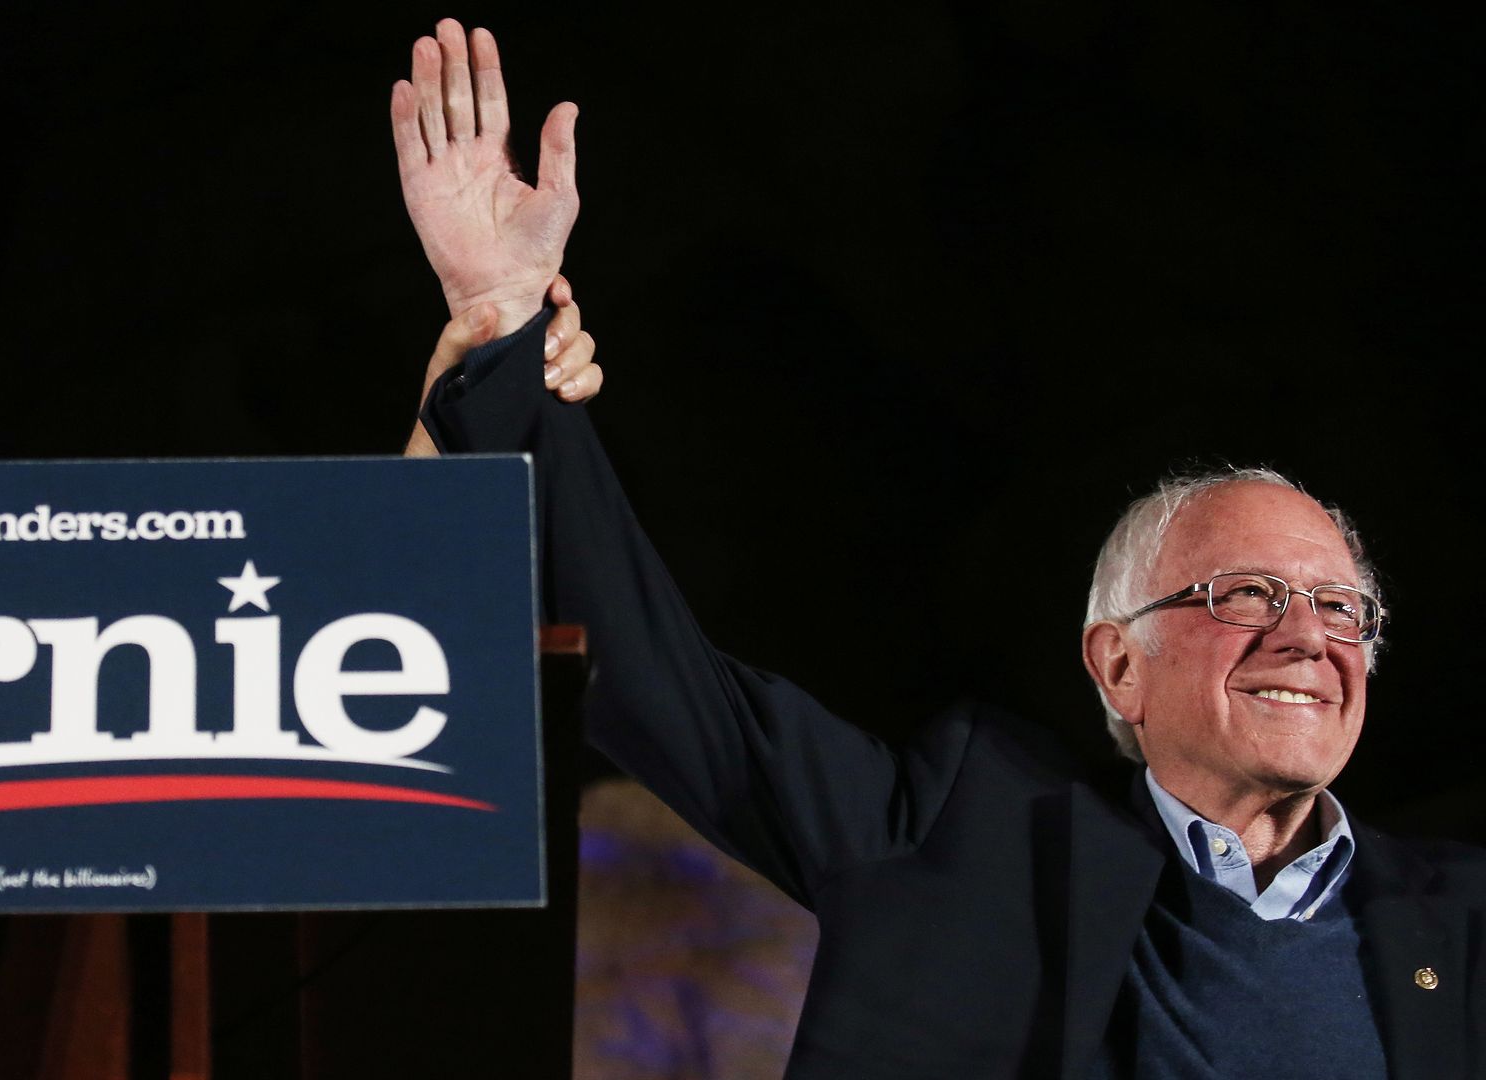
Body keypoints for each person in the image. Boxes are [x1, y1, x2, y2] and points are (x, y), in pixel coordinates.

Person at [389, 18, 1486, 1079]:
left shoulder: (1458, 920)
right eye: (1248, 595)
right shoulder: (969, 842)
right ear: (1117, 663)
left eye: (1344, 609)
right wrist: (500, 320)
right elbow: (657, 679)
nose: (1309, 637)